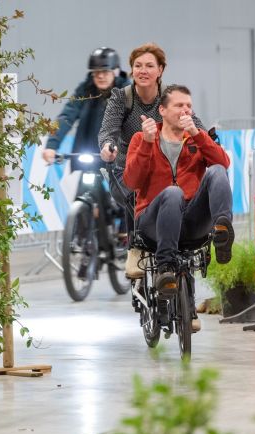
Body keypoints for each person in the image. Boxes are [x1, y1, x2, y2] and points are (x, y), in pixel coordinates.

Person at [124, 84, 234, 317]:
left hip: (191, 221)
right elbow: (132, 181)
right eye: (179, 105)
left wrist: (197, 134)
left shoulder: (196, 138)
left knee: (216, 171)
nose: (186, 110)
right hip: (153, 221)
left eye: (189, 106)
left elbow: (223, 163)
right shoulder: (141, 138)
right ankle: (165, 268)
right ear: (162, 110)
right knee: (173, 193)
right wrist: (146, 142)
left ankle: (223, 231)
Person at [99, 43, 205, 279]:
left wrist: (205, 138)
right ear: (131, 70)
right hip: (131, 166)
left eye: (149, 66)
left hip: (167, 167)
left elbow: (196, 124)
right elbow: (108, 130)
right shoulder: (121, 98)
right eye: (138, 66)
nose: (143, 70)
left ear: (160, 71)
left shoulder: (170, 98)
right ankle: (135, 248)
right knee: (133, 188)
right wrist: (107, 147)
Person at [42, 47, 129, 171]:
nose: (100, 76)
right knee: (84, 189)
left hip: (118, 160)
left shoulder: (127, 92)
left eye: (105, 71)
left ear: (115, 72)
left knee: (121, 189)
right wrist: (51, 145)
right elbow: (66, 116)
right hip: (89, 160)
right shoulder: (85, 90)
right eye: (96, 72)